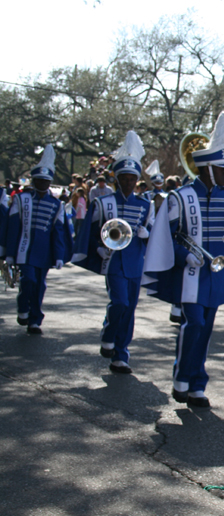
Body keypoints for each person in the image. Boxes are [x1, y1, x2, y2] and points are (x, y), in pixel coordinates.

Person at [143, 111, 224, 408]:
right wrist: (184, 256)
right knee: (193, 324)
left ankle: (196, 384)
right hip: (189, 274)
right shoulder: (179, 198)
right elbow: (167, 237)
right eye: (223, 169)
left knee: (205, 330)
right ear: (208, 169)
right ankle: (182, 377)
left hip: (215, 276)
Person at [72, 131, 154, 374]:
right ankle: (108, 331)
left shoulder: (145, 205)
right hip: (113, 261)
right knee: (119, 302)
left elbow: (153, 231)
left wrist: (147, 235)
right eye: (124, 178)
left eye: (132, 179)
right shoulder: (103, 202)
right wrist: (97, 247)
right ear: (117, 179)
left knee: (129, 310)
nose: (128, 182)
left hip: (135, 261)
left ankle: (121, 354)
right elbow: (91, 230)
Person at [5, 145, 70, 334]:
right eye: (39, 181)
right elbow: (13, 228)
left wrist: (58, 255)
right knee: (29, 280)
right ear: (34, 181)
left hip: (44, 252)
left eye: (46, 181)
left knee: (40, 285)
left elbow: (58, 232)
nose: (42, 184)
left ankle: (35, 319)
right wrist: (9, 253)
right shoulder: (21, 199)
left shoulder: (57, 204)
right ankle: (23, 308)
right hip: (23, 249)